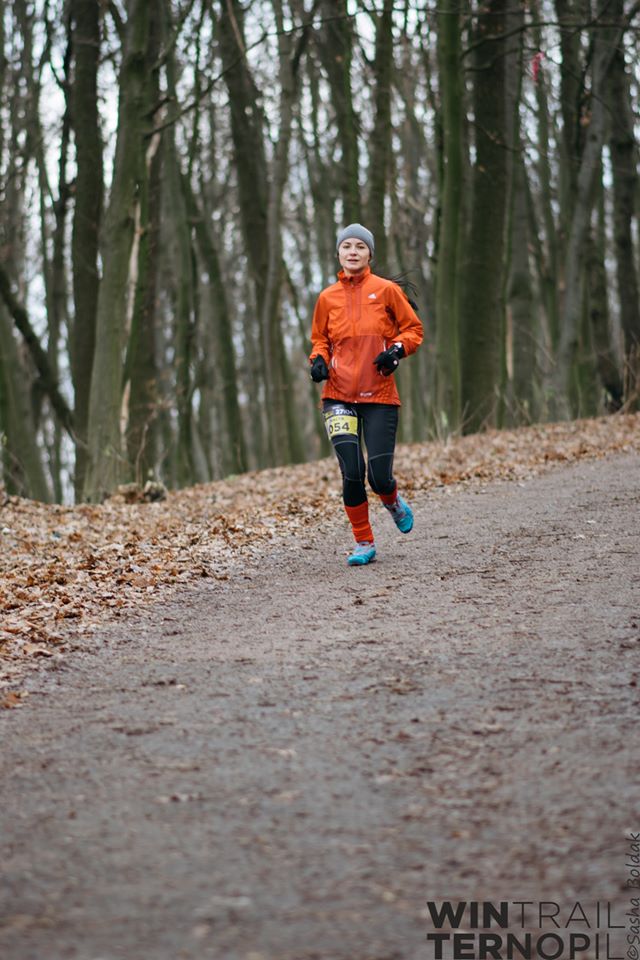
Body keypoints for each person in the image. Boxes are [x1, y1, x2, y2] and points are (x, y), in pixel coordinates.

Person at [309, 223, 424, 566]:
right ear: (338, 253)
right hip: (338, 395)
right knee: (352, 470)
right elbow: (320, 340)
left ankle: (391, 499)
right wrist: (318, 360)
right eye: (347, 246)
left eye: (360, 246)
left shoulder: (386, 291)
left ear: (370, 254)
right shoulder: (327, 298)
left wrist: (396, 351)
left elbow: (413, 330)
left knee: (378, 475)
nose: (353, 251)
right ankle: (364, 542)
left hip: (379, 396)